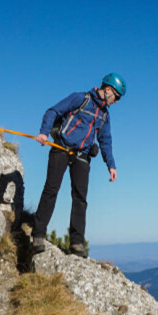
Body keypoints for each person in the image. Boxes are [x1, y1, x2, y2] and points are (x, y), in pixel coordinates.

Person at [31, 73, 125, 257]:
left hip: (82, 155)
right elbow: (53, 111)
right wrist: (44, 133)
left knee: (80, 199)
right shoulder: (81, 99)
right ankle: (38, 235)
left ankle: (76, 243)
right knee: (51, 190)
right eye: (117, 97)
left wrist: (111, 165)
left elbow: (105, 140)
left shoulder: (104, 114)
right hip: (61, 148)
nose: (117, 101)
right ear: (108, 90)